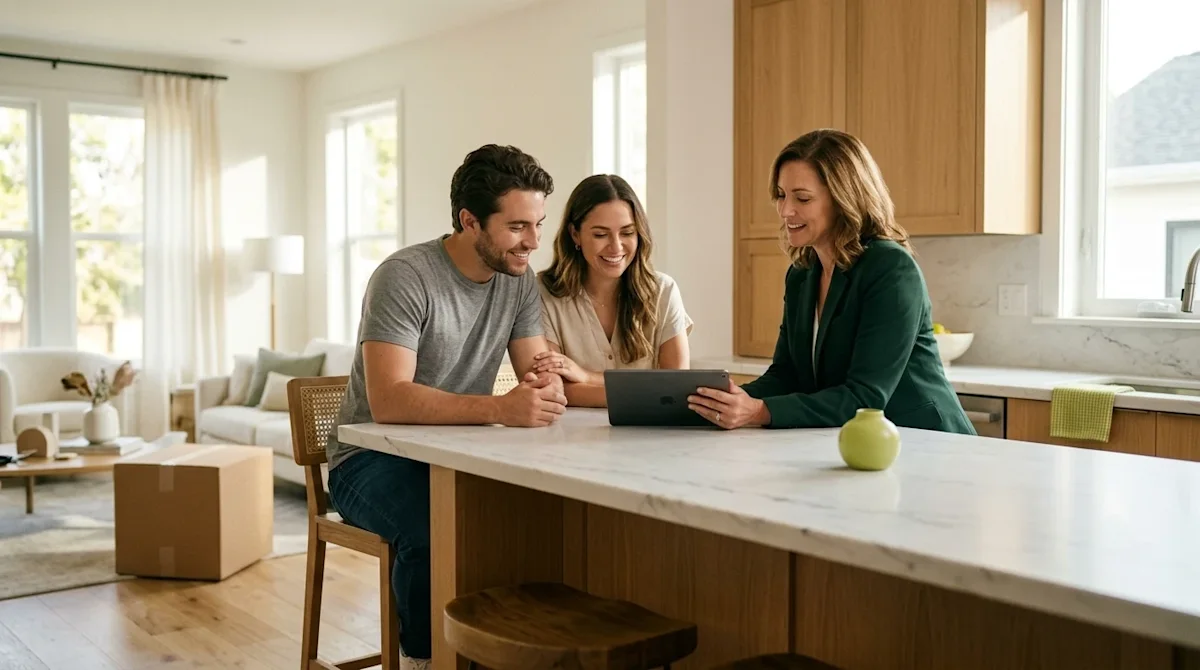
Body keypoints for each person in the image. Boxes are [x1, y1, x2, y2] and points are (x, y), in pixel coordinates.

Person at [325, 144, 569, 668]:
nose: (533, 242)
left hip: (453, 452)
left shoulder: (518, 278)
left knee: (533, 518)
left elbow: (536, 366)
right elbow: (387, 400)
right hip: (366, 458)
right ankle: (424, 660)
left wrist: (547, 381)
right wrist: (501, 409)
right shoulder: (404, 276)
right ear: (469, 220)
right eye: (518, 226)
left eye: (538, 224)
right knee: (434, 531)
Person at [687, 129, 974, 434]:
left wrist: (759, 412)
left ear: (843, 199)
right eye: (781, 196)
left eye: (803, 198)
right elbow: (786, 375)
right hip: (860, 446)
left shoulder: (890, 268)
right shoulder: (802, 273)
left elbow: (866, 397)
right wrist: (727, 400)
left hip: (927, 443)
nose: (786, 211)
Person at [531, 174, 693, 407]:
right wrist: (648, 392)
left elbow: (675, 387)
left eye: (627, 233)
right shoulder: (544, 293)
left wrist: (587, 378)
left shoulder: (663, 291)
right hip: (569, 438)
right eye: (600, 234)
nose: (616, 247)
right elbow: (554, 389)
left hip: (651, 440)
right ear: (575, 234)